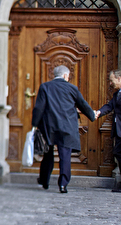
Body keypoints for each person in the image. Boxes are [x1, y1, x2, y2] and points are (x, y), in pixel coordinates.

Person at [31, 65, 96, 194]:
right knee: (65, 156)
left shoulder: (45, 87)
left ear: (54, 75)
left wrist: (34, 124)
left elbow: (39, 107)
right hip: (67, 127)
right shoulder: (72, 88)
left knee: (47, 154)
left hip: (49, 127)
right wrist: (92, 116)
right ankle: (63, 185)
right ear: (66, 76)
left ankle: (44, 181)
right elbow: (82, 104)